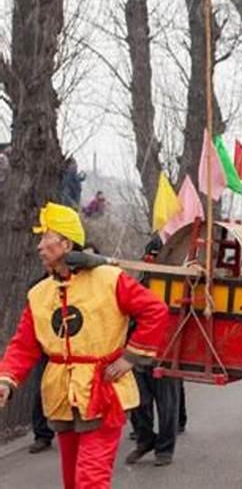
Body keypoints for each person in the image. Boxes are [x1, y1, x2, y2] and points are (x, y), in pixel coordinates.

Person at [0, 202, 169, 489]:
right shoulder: (39, 294)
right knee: (72, 479)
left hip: (103, 391)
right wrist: (6, 380)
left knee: (90, 479)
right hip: (62, 395)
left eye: (45, 239)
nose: (39, 247)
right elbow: (24, 346)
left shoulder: (109, 279)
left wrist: (130, 358)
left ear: (66, 243)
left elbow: (156, 310)